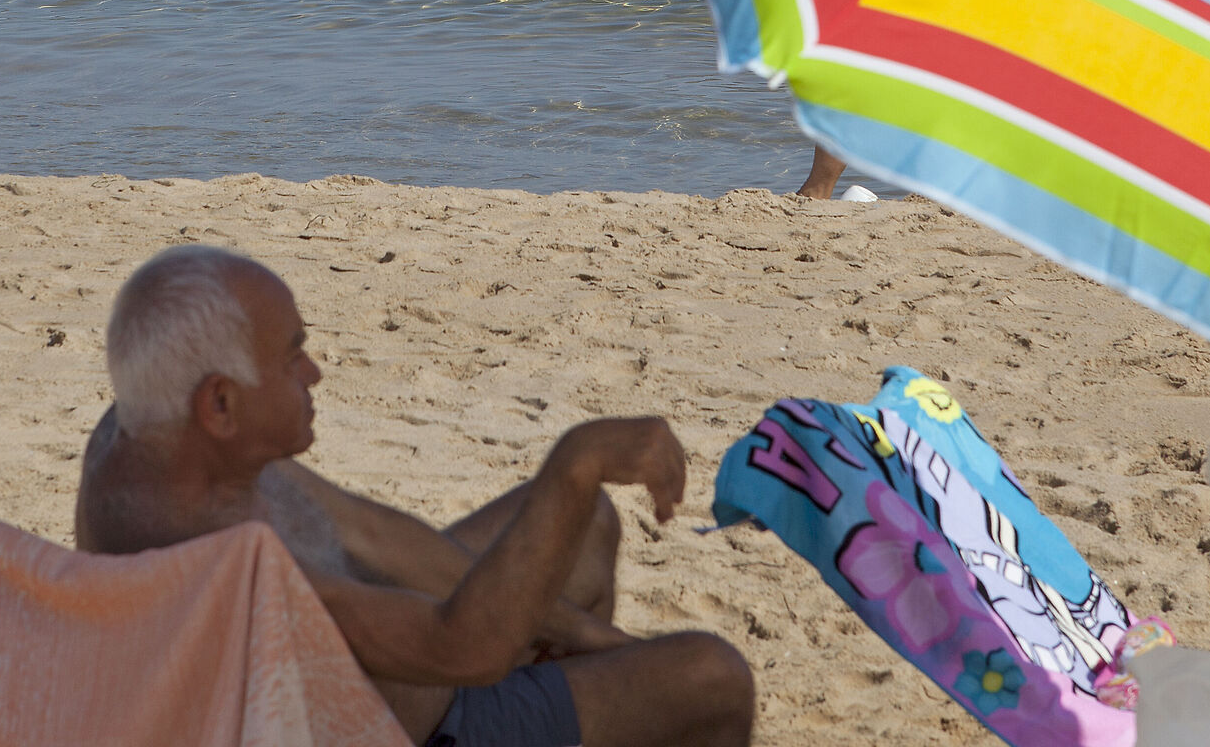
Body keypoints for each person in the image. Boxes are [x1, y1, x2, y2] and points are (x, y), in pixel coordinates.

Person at [77, 246, 754, 747]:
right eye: (292, 358)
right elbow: (465, 651)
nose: (314, 373)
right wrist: (576, 464)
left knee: (584, 529)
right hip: (429, 723)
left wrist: (582, 634)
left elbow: (366, 533)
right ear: (221, 403)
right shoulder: (217, 559)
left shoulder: (155, 433)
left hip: (410, 671)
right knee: (713, 676)